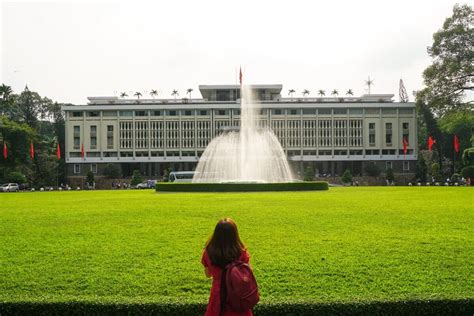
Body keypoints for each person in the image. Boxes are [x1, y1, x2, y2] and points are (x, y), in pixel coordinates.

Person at [201, 218, 253, 316]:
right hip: (237, 294)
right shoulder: (241, 252)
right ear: (234, 234)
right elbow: (248, 272)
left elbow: (208, 274)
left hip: (218, 294)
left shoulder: (209, 252)